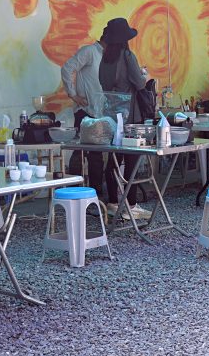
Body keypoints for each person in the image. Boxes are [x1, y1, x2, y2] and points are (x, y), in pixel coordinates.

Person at [61, 18, 152, 221]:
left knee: (111, 158)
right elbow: (138, 82)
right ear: (124, 39)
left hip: (110, 114)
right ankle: (131, 204)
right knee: (132, 159)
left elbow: (103, 83)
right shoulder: (126, 55)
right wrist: (74, 94)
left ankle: (111, 201)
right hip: (127, 114)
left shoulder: (105, 58)